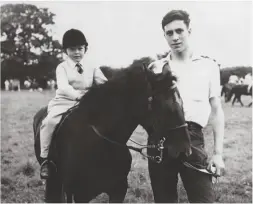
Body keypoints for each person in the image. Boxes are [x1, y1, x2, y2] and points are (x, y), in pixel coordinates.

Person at [149, 10, 225, 202]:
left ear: (189, 31)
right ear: (164, 35)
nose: (175, 37)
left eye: (179, 31)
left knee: (203, 199)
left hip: (193, 139)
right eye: (169, 33)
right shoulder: (156, 68)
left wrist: (217, 154)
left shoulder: (208, 66)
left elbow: (216, 112)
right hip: (160, 142)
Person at [40, 29, 107, 179]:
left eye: (80, 48)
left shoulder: (92, 67)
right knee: (49, 122)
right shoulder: (62, 67)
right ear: (65, 50)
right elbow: (63, 87)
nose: (77, 52)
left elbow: (103, 83)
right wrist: (78, 96)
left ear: (85, 49)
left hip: (87, 103)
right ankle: (46, 159)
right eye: (72, 49)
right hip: (64, 101)